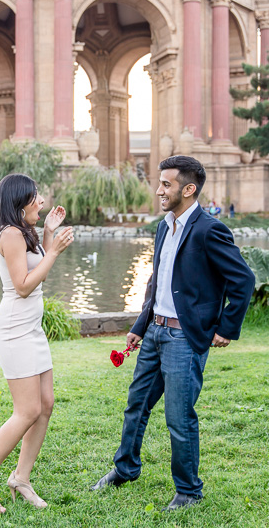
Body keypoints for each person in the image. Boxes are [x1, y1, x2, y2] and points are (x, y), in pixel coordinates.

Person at [90, 155, 255, 511]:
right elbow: (157, 281)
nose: (158, 190)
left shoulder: (210, 229)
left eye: (166, 184)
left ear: (188, 188)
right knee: (136, 406)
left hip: (185, 339)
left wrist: (226, 327)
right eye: (160, 183)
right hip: (154, 334)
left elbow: (243, 279)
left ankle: (188, 491)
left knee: (179, 419)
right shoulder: (165, 226)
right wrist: (140, 327)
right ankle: (125, 470)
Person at [0, 173, 74, 516]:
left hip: (31, 329)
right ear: (18, 201)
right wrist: (53, 251)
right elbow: (23, 286)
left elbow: (34, 265)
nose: (40, 202)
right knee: (27, 410)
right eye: (34, 197)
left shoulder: (23, 233)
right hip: (14, 331)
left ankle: (21, 478)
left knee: (45, 404)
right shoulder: (10, 235)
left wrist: (48, 236)